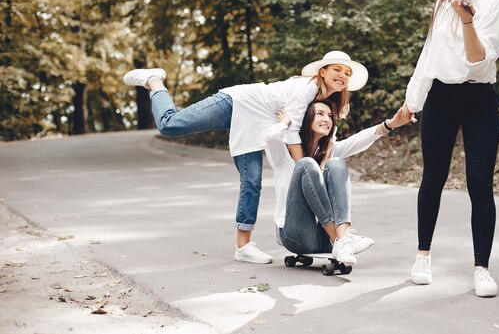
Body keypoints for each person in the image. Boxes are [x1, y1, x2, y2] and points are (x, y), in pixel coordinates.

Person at [122, 51, 368, 264]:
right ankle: (154, 81)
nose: (343, 76)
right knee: (170, 125)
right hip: (237, 103)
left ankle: (243, 246)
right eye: (337, 69)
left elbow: (325, 137)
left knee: (252, 181)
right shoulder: (308, 88)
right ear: (322, 71)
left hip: (255, 126)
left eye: (347, 73)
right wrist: (304, 168)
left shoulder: (322, 99)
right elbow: (292, 131)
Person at [401, 0, 499, 297]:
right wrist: (411, 102)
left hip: (478, 99)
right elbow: (427, 57)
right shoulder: (442, 4)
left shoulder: (493, 4)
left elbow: (479, 61)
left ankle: (482, 269)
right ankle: (422, 256)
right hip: (440, 99)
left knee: (480, 185)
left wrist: (467, 21)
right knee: (432, 178)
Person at [265, 100, 413, 264]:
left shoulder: (329, 151)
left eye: (329, 116)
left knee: (337, 163)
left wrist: (391, 124)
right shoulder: (282, 155)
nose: (327, 119)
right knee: (306, 164)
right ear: (306, 119)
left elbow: (359, 139)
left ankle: (342, 239)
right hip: (296, 235)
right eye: (320, 114)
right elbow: (271, 136)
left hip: (324, 238)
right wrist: (287, 122)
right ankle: (343, 241)